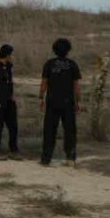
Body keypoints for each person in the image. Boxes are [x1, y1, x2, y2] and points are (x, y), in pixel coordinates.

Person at [39, 38, 82, 167]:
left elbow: (44, 84)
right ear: (68, 50)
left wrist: (41, 98)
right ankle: (70, 158)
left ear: (54, 49)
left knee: (49, 130)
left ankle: (46, 158)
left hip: (52, 101)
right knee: (70, 130)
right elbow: (77, 85)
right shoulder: (72, 65)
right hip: (68, 102)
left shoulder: (49, 64)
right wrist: (78, 101)